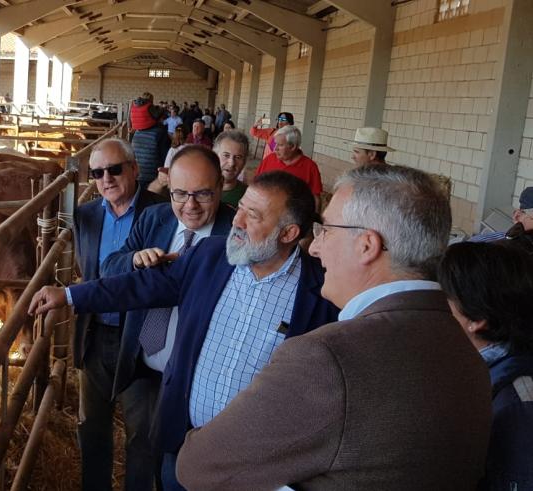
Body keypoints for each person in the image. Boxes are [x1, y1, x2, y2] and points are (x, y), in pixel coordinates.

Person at [176, 164, 492, 489]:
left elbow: (198, 466)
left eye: (325, 230)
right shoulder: (467, 351)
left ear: (366, 246)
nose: (314, 247)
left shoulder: (328, 357)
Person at [30, 171, 338, 491]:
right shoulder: (210, 255)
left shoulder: (321, 295)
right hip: (185, 445)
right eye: (241, 208)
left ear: (288, 233)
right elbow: (143, 286)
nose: (237, 221)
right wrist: (69, 295)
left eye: (254, 215)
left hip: (256, 466)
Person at [97, 146, 237, 485]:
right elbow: (109, 267)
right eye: (179, 193)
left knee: (183, 459)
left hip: (196, 374)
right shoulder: (154, 218)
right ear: (168, 187)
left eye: (202, 194)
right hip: (145, 364)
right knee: (140, 445)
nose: (189, 206)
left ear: (220, 187)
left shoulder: (236, 232)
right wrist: (133, 260)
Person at [70, 138, 165, 491]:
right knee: (92, 428)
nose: (105, 179)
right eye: (97, 172)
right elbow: (86, 273)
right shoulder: (86, 216)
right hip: (96, 335)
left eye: (114, 169)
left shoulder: (162, 212)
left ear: (135, 170)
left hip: (141, 339)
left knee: (141, 434)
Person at [437, 242, 533, 491]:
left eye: (444, 298)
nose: (435, 308)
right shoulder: (477, 367)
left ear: (477, 319)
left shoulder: (517, 404)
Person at [254, 124, 323, 209]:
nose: (275, 149)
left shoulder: (310, 167)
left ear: (293, 147)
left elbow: (315, 198)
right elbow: (255, 184)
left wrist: (315, 219)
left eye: (280, 145)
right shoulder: (269, 159)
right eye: (276, 144)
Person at [215, 130, 249, 208]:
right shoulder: (198, 188)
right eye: (226, 155)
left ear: (244, 162)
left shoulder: (248, 196)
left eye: (238, 157)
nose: (232, 163)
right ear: (215, 156)